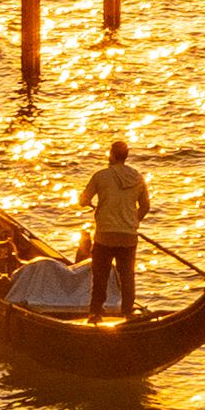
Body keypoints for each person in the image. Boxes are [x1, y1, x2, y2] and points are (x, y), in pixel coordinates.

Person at [82, 135, 151, 319]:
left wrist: (90, 203)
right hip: (128, 236)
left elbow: (83, 200)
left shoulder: (100, 176)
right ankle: (127, 312)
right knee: (127, 276)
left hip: (105, 235)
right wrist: (134, 221)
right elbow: (145, 206)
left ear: (111, 155)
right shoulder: (138, 177)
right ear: (126, 156)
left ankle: (95, 313)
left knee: (100, 276)